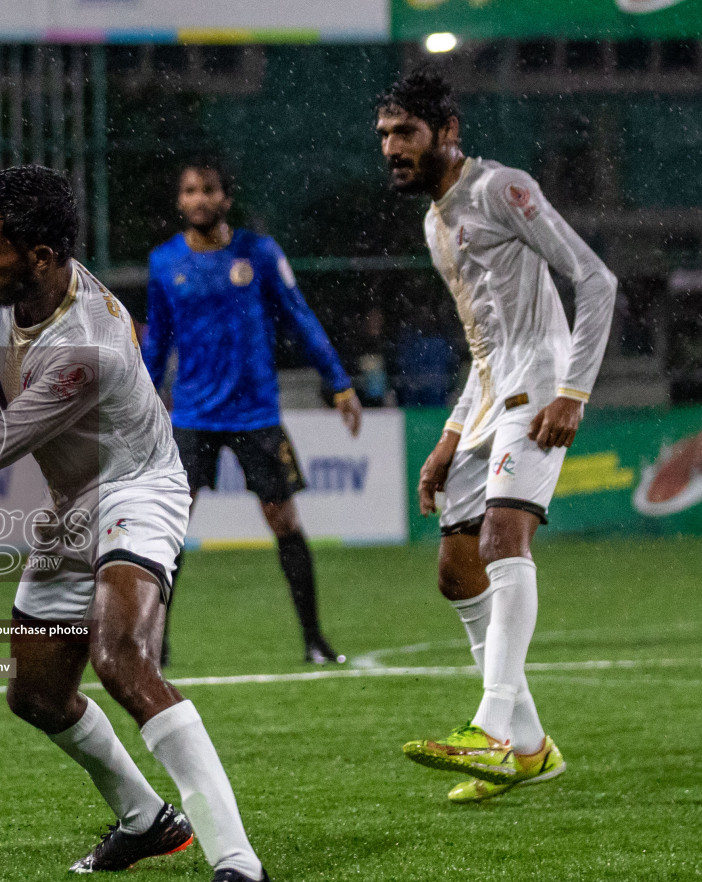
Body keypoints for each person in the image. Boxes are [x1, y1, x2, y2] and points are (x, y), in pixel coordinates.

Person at [0, 165, 275, 882]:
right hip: (77, 499)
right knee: (36, 694)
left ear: (41, 257)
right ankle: (147, 821)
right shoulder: (15, 292)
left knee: (122, 659)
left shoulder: (89, 344)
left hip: (138, 491)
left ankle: (240, 868)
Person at [376, 69, 616, 803]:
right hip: (491, 398)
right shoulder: (433, 221)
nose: (391, 148)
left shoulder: (501, 188)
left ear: (446, 132)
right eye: (384, 135)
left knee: (503, 539)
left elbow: (596, 279)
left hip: (541, 392)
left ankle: (492, 726)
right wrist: (451, 436)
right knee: (456, 570)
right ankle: (532, 748)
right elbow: (484, 345)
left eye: (405, 133)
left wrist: (573, 391)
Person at [142, 156, 362, 668]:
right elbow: (157, 344)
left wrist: (340, 383)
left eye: (209, 189)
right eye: (191, 190)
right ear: (181, 201)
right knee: (170, 530)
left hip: (256, 414)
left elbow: (300, 316)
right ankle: (153, 644)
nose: (199, 199)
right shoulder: (164, 263)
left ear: (225, 198)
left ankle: (313, 640)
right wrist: (144, 402)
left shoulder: (259, 254)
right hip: (192, 416)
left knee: (283, 520)